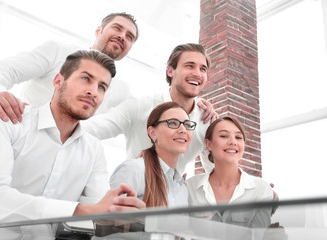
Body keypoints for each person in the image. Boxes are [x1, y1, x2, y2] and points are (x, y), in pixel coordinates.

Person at [0, 50, 145, 240]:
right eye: (85, 79)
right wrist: (83, 211)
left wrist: (120, 216)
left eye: (102, 87)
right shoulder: (5, 119)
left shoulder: (93, 150)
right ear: (57, 81)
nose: (93, 91)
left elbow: (97, 215)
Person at [0, 12, 139, 124]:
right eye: (117, 28)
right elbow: (4, 70)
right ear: (98, 30)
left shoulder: (121, 90)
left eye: (129, 36)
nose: (122, 36)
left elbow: (143, 115)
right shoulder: (57, 52)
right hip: (18, 145)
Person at [82, 43, 218, 174]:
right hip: (131, 194)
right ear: (170, 71)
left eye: (203, 69)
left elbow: (217, 174)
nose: (197, 74)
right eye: (189, 66)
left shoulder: (206, 121)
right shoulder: (138, 108)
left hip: (173, 195)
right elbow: (88, 130)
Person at [186, 116, 274, 228]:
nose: (233, 142)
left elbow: (257, 236)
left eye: (238, 137)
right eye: (223, 136)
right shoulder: (190, 187)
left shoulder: (261, 189)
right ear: (209, 144)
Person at [110, 102, 194, 208]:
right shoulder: (133, 170)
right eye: (173, 123)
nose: (183, 130)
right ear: (153, 133)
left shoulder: (181, 187)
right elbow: (107, 220)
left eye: (187, 125)